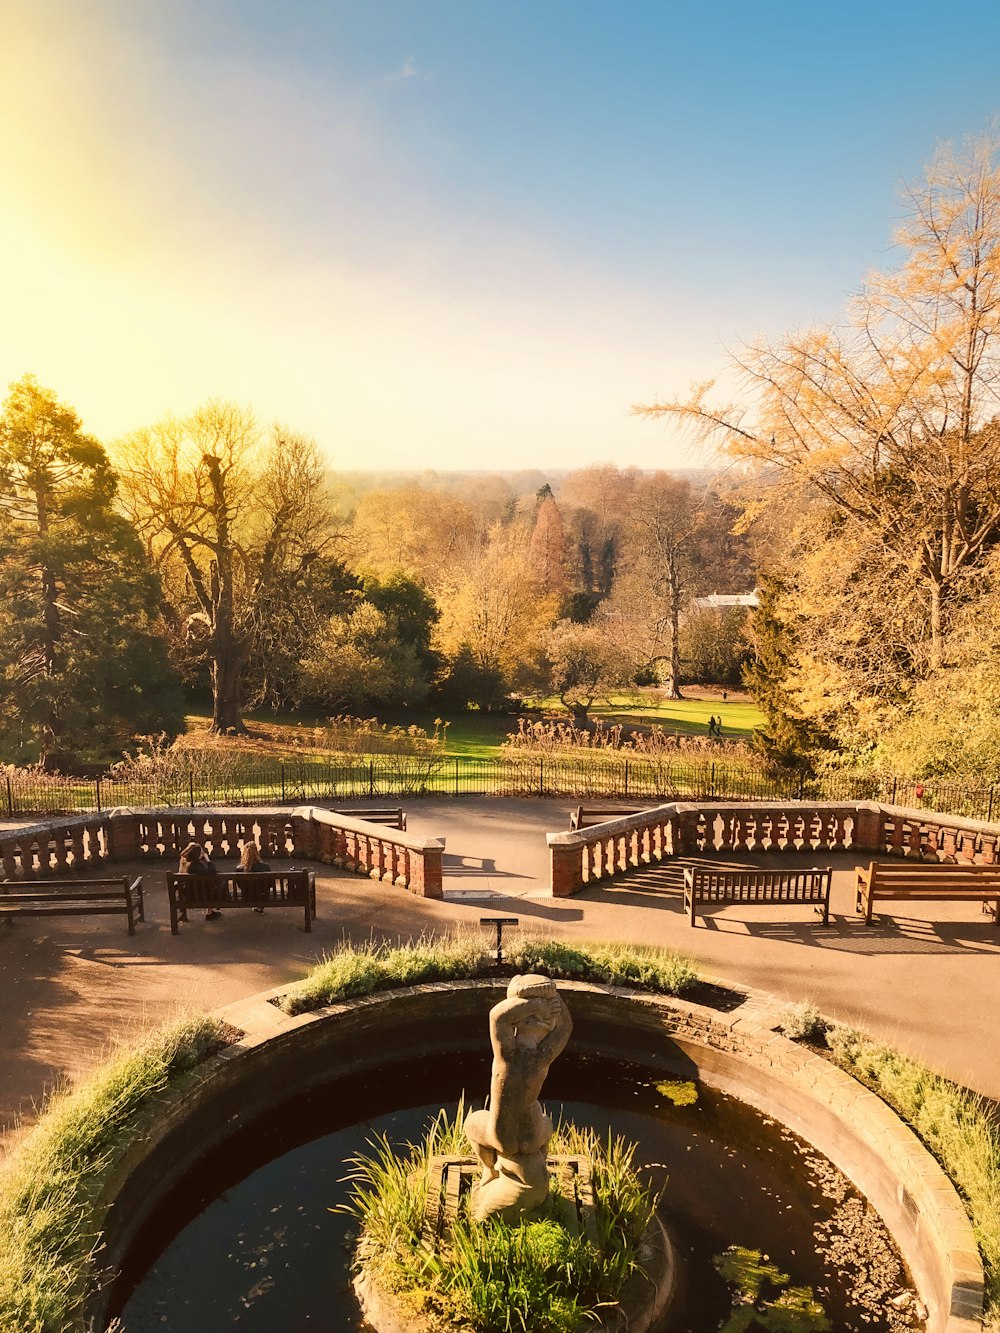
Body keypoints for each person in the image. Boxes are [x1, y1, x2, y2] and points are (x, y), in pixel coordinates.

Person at [177, 842, 221, 920]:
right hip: (199, 895)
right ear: (198, 855)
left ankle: (209, 912)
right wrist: (208, 860)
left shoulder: (185, 864)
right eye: (201, 853)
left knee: (207, 886)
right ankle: (209, 913)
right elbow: (212, 871)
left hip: (188, 894)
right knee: (212, 886)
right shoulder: (194, 866)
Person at [238, 841, 270, 914]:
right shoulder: (265, 867)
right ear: (257, 852)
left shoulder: (240, 869)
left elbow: (240, 885)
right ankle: (259, 907)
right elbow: (270, 884)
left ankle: (257, 907)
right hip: (263, 897)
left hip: (247, 897)